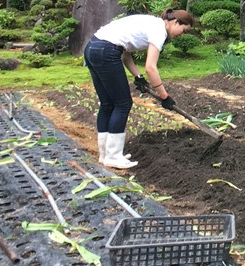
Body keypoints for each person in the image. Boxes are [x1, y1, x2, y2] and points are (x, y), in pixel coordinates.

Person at [83, 9, 196, 169]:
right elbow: (151, 68)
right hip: (106, 51)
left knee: (108, 104)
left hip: (93, 48)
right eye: (183, 30)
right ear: (176, 22)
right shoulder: (159, 30)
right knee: (123, 104)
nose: (181, 35)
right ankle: (114, 156)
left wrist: (138, 77)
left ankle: (105, 154)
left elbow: (125, 54)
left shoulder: (151, 23)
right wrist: (164, 96)